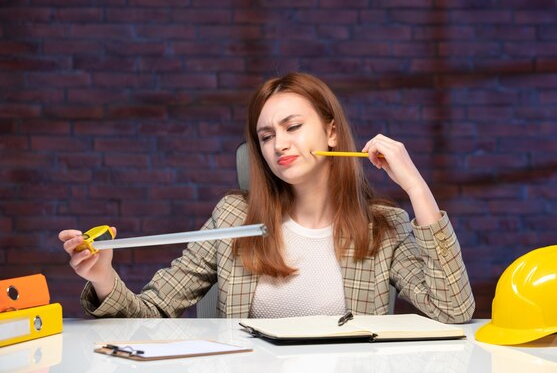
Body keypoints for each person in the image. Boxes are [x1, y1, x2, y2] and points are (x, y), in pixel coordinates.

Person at [59, 72, 475, 323]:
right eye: (266, 135)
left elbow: (452, 311)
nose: (279, 144)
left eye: (293, 126)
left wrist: (417, 188)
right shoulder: (234, 217)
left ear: (332, 132)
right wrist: (102, 278)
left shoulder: (383, 225)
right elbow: (152, 312)